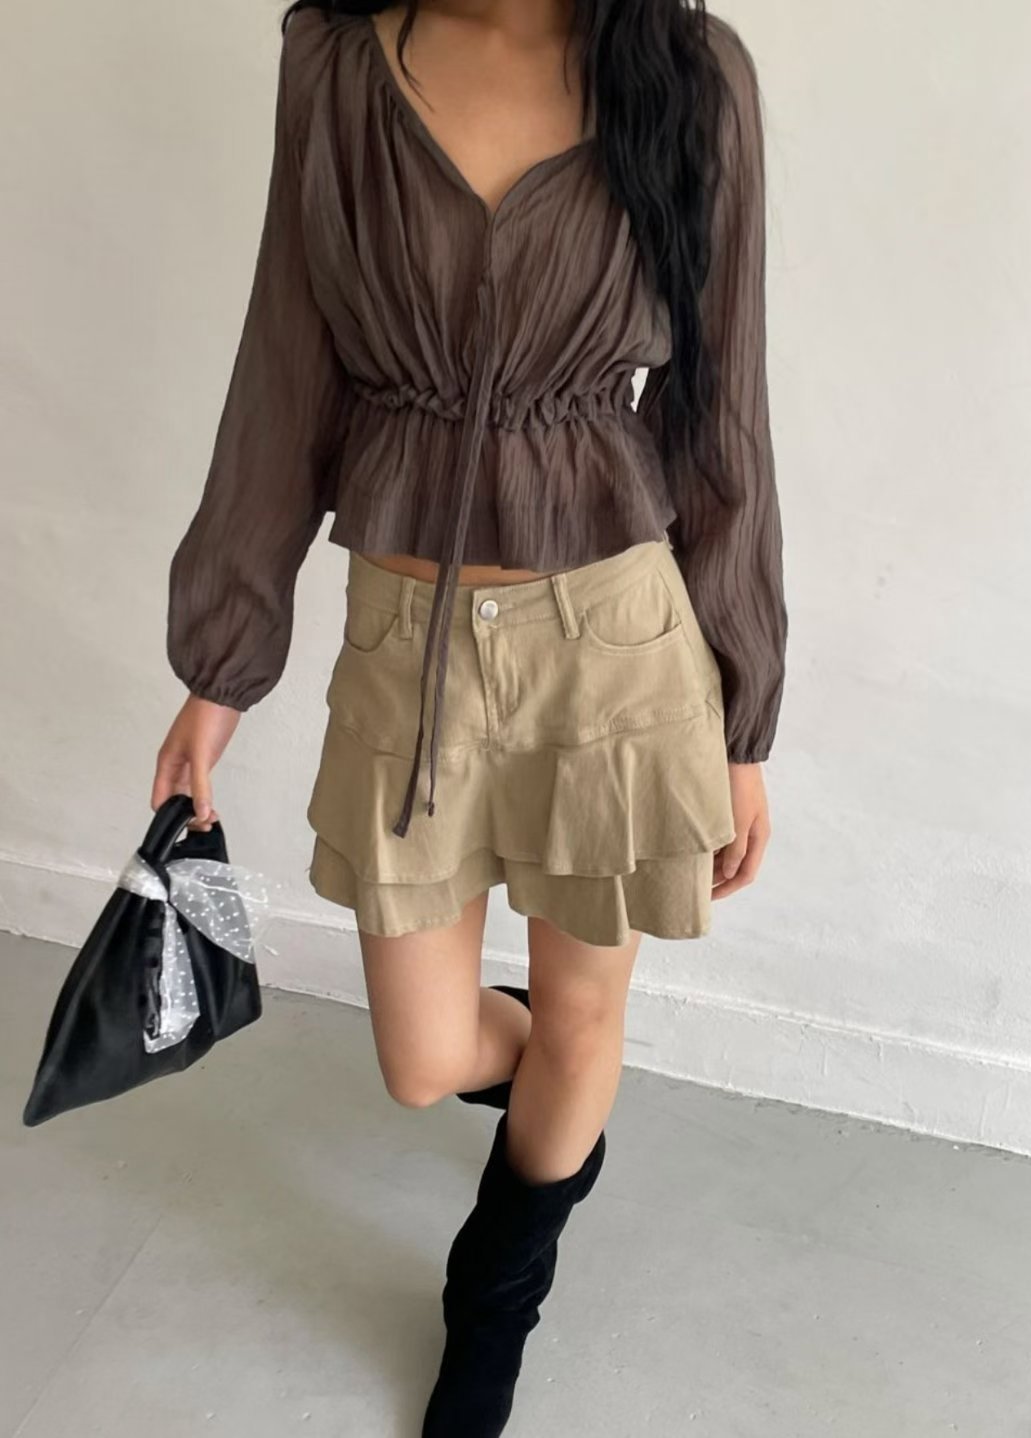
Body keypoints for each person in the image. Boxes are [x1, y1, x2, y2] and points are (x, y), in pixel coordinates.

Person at [152, 2, 787, 1432]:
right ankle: (567, 1089)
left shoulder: (690, 79)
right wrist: (219, 671)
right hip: (408, 639)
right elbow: (283, 373)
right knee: (424, 1058)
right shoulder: (340, 66)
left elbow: (722, 411)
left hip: (618, 645)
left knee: (584, 1011)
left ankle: (496, 1294)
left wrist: (744, 717)